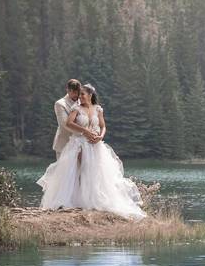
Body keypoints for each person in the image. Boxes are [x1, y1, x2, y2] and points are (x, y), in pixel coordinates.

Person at [38, 83, 145, 220]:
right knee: (81, 170)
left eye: (82, 94)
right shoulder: (76, 108)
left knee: (97, 171)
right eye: (79, 94)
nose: (79, 97)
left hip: (96, 144)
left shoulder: (98, 109)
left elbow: (103, 126)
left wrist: (101, 136)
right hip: (79, 144)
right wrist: (85, 131)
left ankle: (95, 199)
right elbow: (69, 123)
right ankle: (80, 201)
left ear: (90, 95)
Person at [52, 79, 82, 159]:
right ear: (68, 90)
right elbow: (64, 124)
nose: (76, 95)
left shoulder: (83, 101)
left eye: (78, 92)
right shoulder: (60, 104)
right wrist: (84, 132)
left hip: (81, 145)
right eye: (74, 92)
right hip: (64, 143)